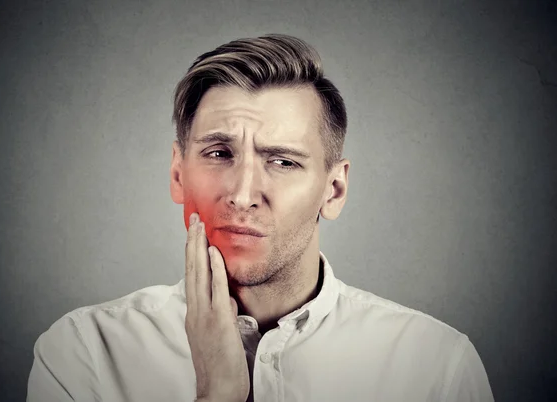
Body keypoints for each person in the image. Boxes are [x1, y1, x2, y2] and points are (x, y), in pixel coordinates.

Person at [27, 34, 494, 402]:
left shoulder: (436, 369)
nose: (243, 193)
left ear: (333, 190)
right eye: (217, 152)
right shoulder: (83, 353)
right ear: (177, 173)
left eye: (283, 161)